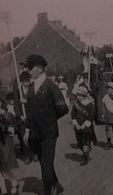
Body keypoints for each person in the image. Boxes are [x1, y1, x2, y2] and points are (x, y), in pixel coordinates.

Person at [22, 54, 68, 195]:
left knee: (46, 164)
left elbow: (63, 108)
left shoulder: (51, 86)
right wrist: (27, 130)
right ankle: (57, 185)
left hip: (49, 132)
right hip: (35, 133)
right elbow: (29, 111)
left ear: (40, 68)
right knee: (44, 161)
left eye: (31, 67)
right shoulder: (30, 88)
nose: (28, 70)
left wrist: (50, 119)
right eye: (27, 67)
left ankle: (47, 191)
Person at [71, 86, 96, 166]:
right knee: (80, 143)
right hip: (77, 127)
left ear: (84, 96)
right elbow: (73, 115)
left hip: (87, 128)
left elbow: (91, 116)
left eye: (80, 95)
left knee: (85, 142)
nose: (78, 97)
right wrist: (76, 124)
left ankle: (85, 157)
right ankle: (86, 151)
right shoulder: (76, 105)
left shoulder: (89, 105)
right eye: (77, 95)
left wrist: (84, 125)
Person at [0, 99, 19, 195]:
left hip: (4, 141)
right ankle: (3, 189)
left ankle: (14, 182)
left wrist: (3, 114)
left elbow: (11, 126)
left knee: (5, 165)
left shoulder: (7, 114)